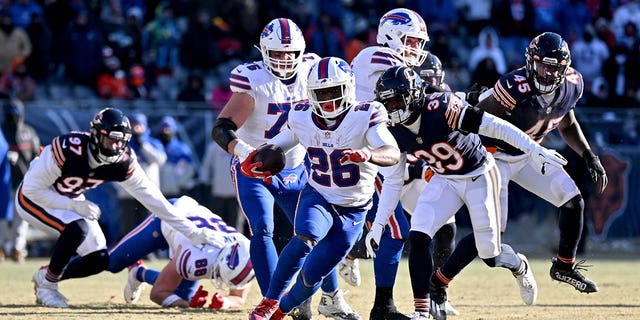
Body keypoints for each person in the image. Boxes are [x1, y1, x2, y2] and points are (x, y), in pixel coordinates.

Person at [372, 66, 567, 319]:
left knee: (490, 254)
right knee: (418, 237)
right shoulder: (392, 128)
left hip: (480, 176)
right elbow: (393, 181)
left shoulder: (441, 107)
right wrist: (378, 224)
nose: (392, 109)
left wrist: (532, 149)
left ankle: (519, 265)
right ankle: (422, 311)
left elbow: (494, 125)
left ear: (413, 95)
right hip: (445, 179)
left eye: (396, 100)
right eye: (386, 103)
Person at [433, 32, 606, 297]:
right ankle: (440, 282)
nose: (549, 73)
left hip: (530, 155)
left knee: (573, 200)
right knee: (490, 236)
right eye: (544, 65)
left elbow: (567, 123)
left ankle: (564, 266)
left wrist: (588, 155)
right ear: (531, 62)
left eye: (556, 68)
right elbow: (480, 121)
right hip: (495, 156)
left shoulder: (572, 84)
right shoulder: (514, 86)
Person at [211, 18, 355, 319]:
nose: (285, 59)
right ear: (264, 52)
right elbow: (222, 127)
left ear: (301, 51)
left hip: (299, 166)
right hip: (257, 167)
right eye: (277, 53)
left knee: (314, 234)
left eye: (291, 53)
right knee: (263, 229)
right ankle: (272, 302)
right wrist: (246, 152)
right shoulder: (253, 78)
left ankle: (331, 297)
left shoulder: (312, 69)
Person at [16, 107, 223, 308]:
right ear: (96, 135)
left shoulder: (123, 162)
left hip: (70, 199)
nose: (116, 147)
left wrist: (193, 231)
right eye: (111, 140)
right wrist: (72, 205)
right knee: (77, 228)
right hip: (33, 198)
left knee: (98, 260)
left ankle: (46, 275)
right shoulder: (69, 149)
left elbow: (156, 201)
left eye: (121, 142)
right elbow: (32, 189)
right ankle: (48, 287)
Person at [247, 56, 401, 320]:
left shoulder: (366, 114)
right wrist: (258, 157)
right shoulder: (302, 114)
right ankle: (269, 300)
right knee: (305, 236)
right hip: (318, 194)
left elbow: (392, 152)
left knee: (312, 276)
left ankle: (281, 311)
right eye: (321, 92)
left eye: (333, 91)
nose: (327, 99)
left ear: (348, 88)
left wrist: (368, 155)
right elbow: (280, 144)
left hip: (353, 209)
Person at [347, 8, 438, 319]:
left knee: (363, 228)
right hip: (362, 154)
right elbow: (417, 99)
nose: (415, 49)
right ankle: (381, 307)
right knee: (395, 228)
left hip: (370, 152)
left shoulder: (378, 61)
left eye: (418, 42)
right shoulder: (377, 56)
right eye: (410, 41)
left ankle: (348, 272)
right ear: (391, 35)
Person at [61, 195, 254, 309]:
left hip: (192, 231)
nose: (219, 279)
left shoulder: (245, 254)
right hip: (168, 219)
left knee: (182, 294)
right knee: (109, 263)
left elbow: (238, 297)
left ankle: (139, 273)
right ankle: (53, 271)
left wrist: (224, 303)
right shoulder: (197, 257)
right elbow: (159, 292)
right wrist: (186, 307)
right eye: (219, 273)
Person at [1, 99, 40, 262]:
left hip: (24, 183)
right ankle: (2, 247)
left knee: (22, 216)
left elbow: (37, 155)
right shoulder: (1, 131)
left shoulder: (28, 132)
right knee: (2, 216)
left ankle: (17, 248)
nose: (13, 118)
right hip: (2, 183)